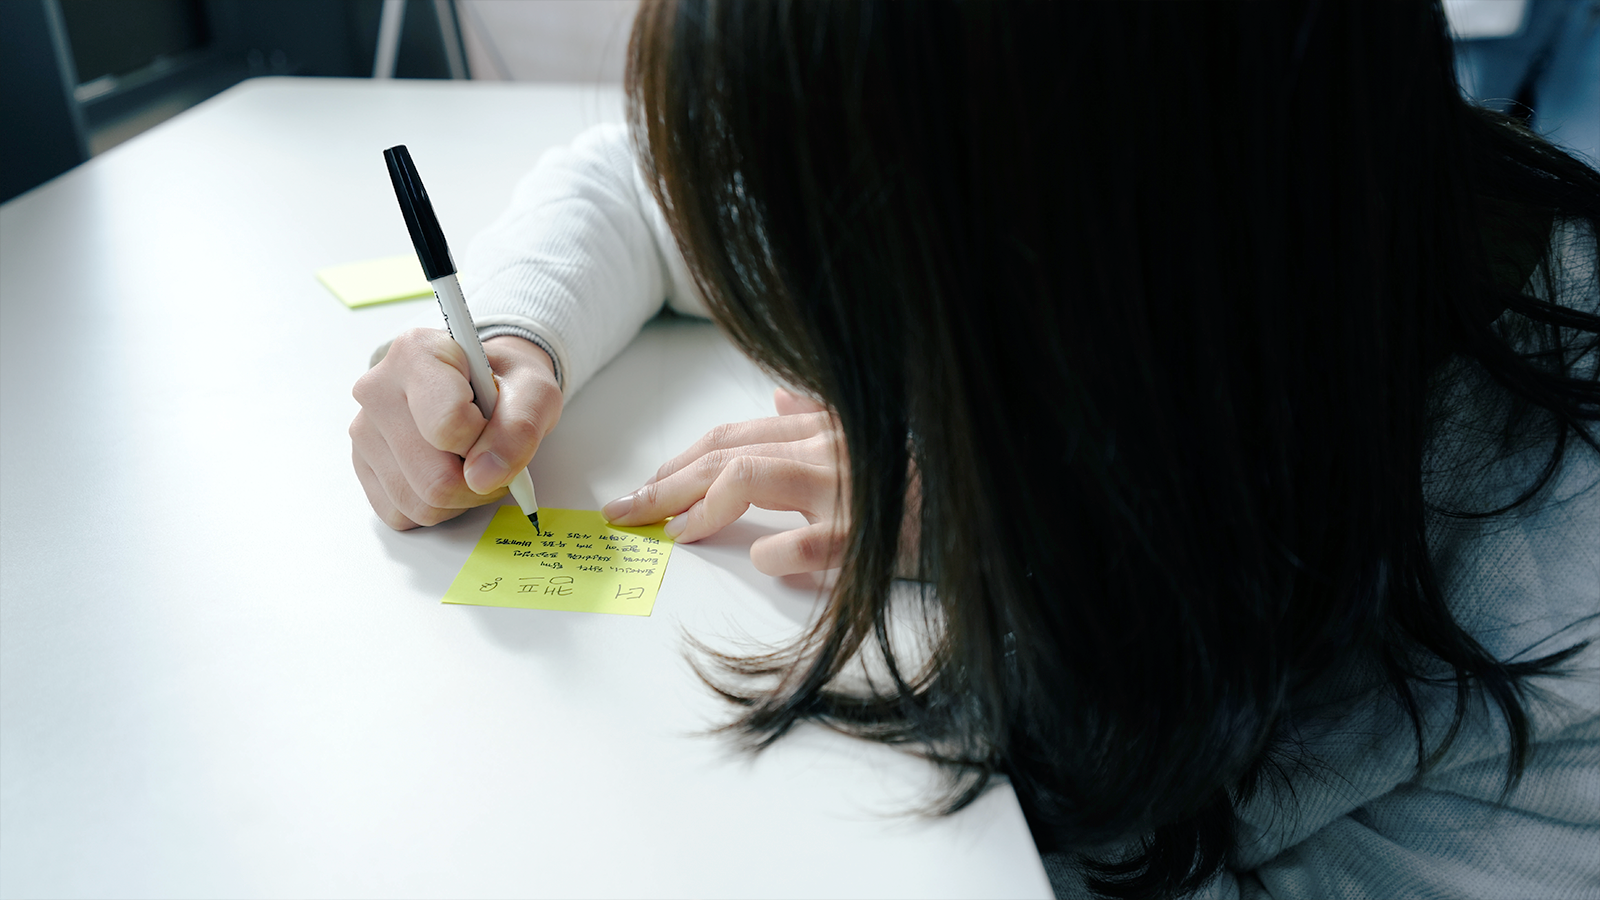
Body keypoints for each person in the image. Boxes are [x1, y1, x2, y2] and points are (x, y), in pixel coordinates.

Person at [349, 2, 1600, 896]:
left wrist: (1021, 529)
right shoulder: (1148, 202)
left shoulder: (1543, 606)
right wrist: (517, 338)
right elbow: (645, 190)